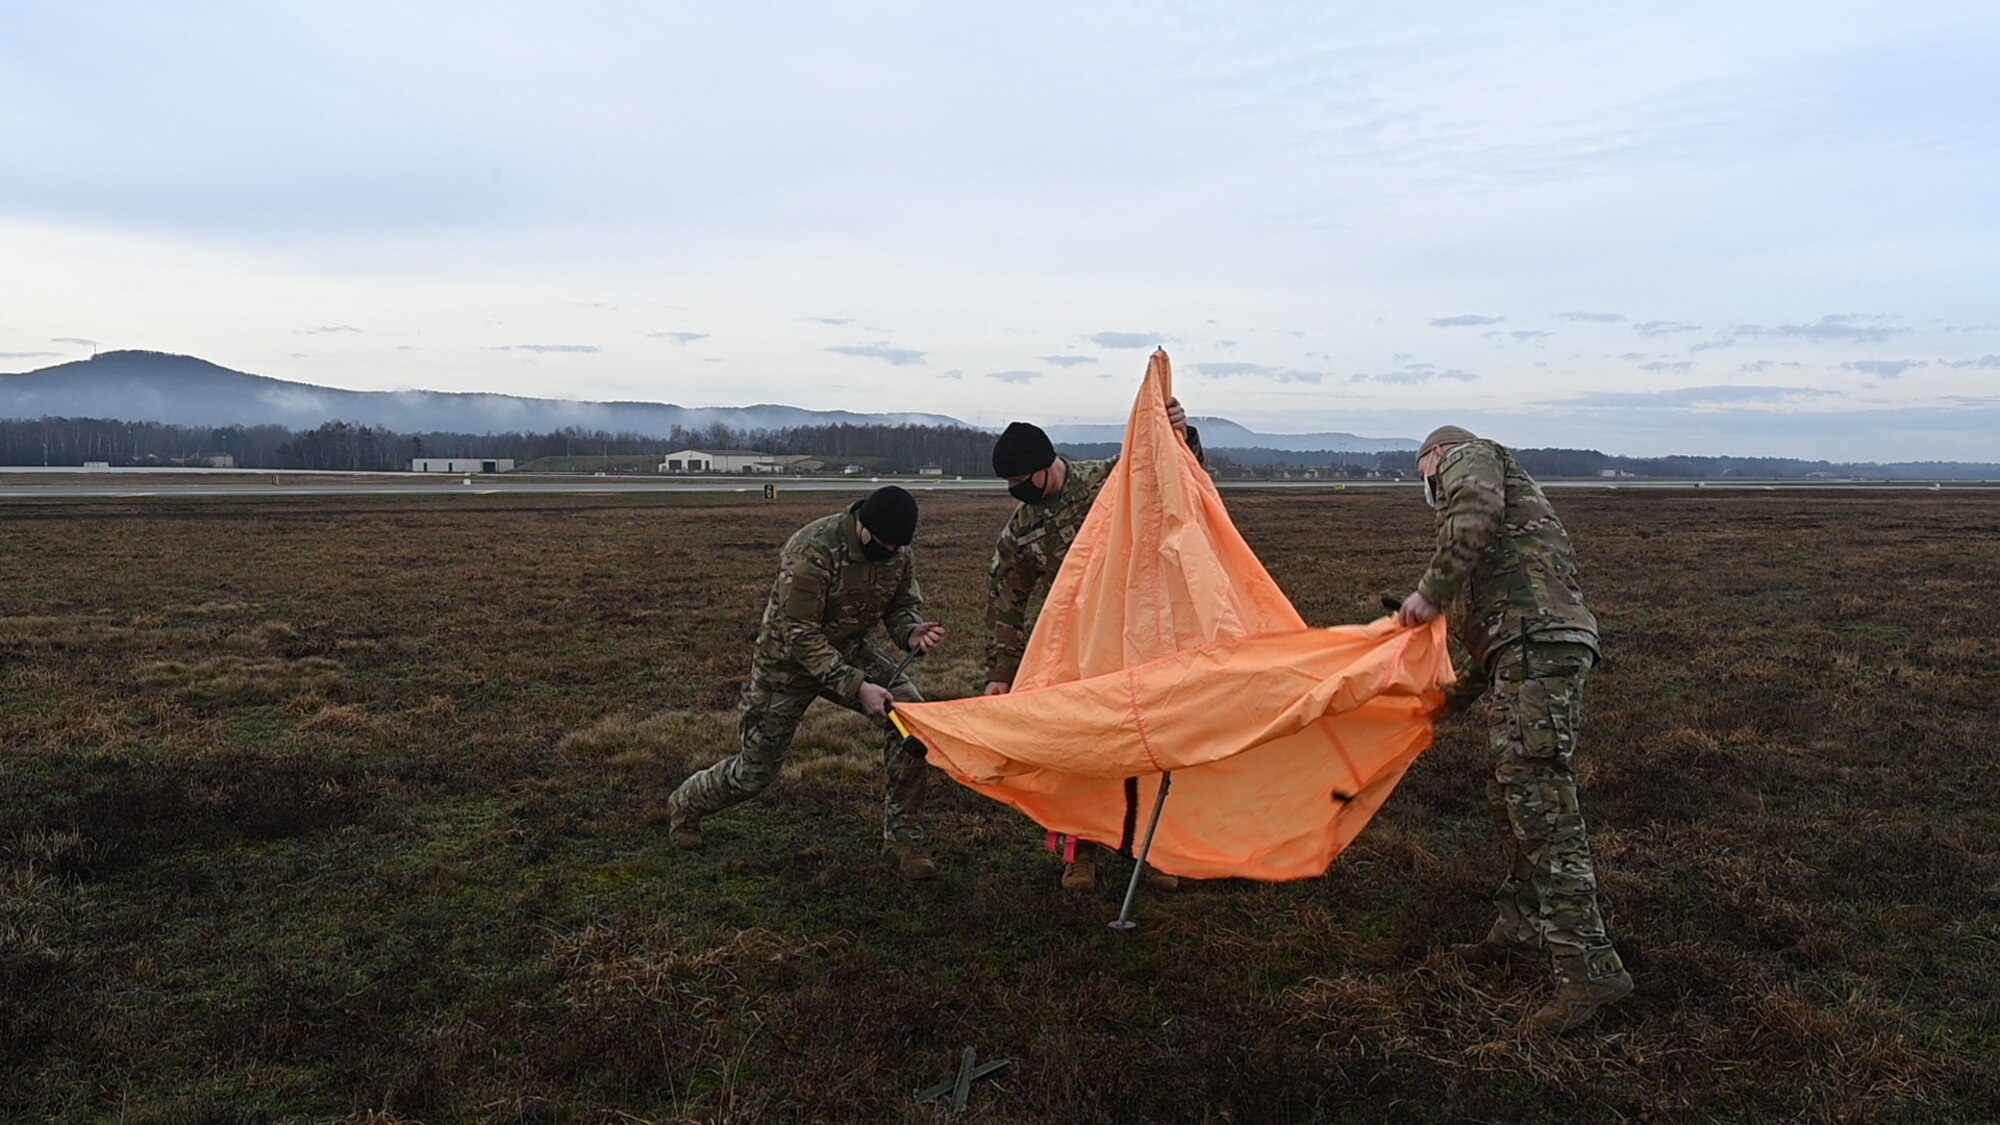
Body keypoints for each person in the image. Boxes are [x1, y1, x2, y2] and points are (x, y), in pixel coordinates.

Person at [1396, 425, 1632, 1033]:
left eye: (1425, 475)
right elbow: (1493, 640)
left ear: (1435, 457)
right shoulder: (1508, 559)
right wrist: (1438, 707)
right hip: (1527, 647)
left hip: (1538, 648)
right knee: (1514, 794)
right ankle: (1521, 928)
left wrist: (1431, 592)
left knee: (1540, 801)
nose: (1430, 488)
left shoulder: (1468, 458)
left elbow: (1473, 510)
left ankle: (1589, 968)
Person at [667, 485, 947, 880]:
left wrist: (911, 632)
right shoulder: (812, 549)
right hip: (787, 665)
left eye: (896, 546)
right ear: (862, 526)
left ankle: (903, 839)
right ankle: (688, 801)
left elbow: (901, 606)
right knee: (754, 773)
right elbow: (799, 632)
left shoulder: (898, 551)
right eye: (881, 543)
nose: (888, 551)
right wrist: (857, 686)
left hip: (848, 651)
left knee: (909, 722)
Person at [984, 399, 1203, 891]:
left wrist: (1180, 437)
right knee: (1077, 747)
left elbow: (1180, 487)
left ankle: (1156, 848)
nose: (1016, 492)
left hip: (1142, 638)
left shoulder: (1114, 478)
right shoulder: (1021, 530)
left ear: (1047, 466)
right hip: (1077, 652)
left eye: (1021, 480)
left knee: (1152, 743)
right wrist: (1001, 670)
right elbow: (1005, 601)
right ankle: (1077, 851)